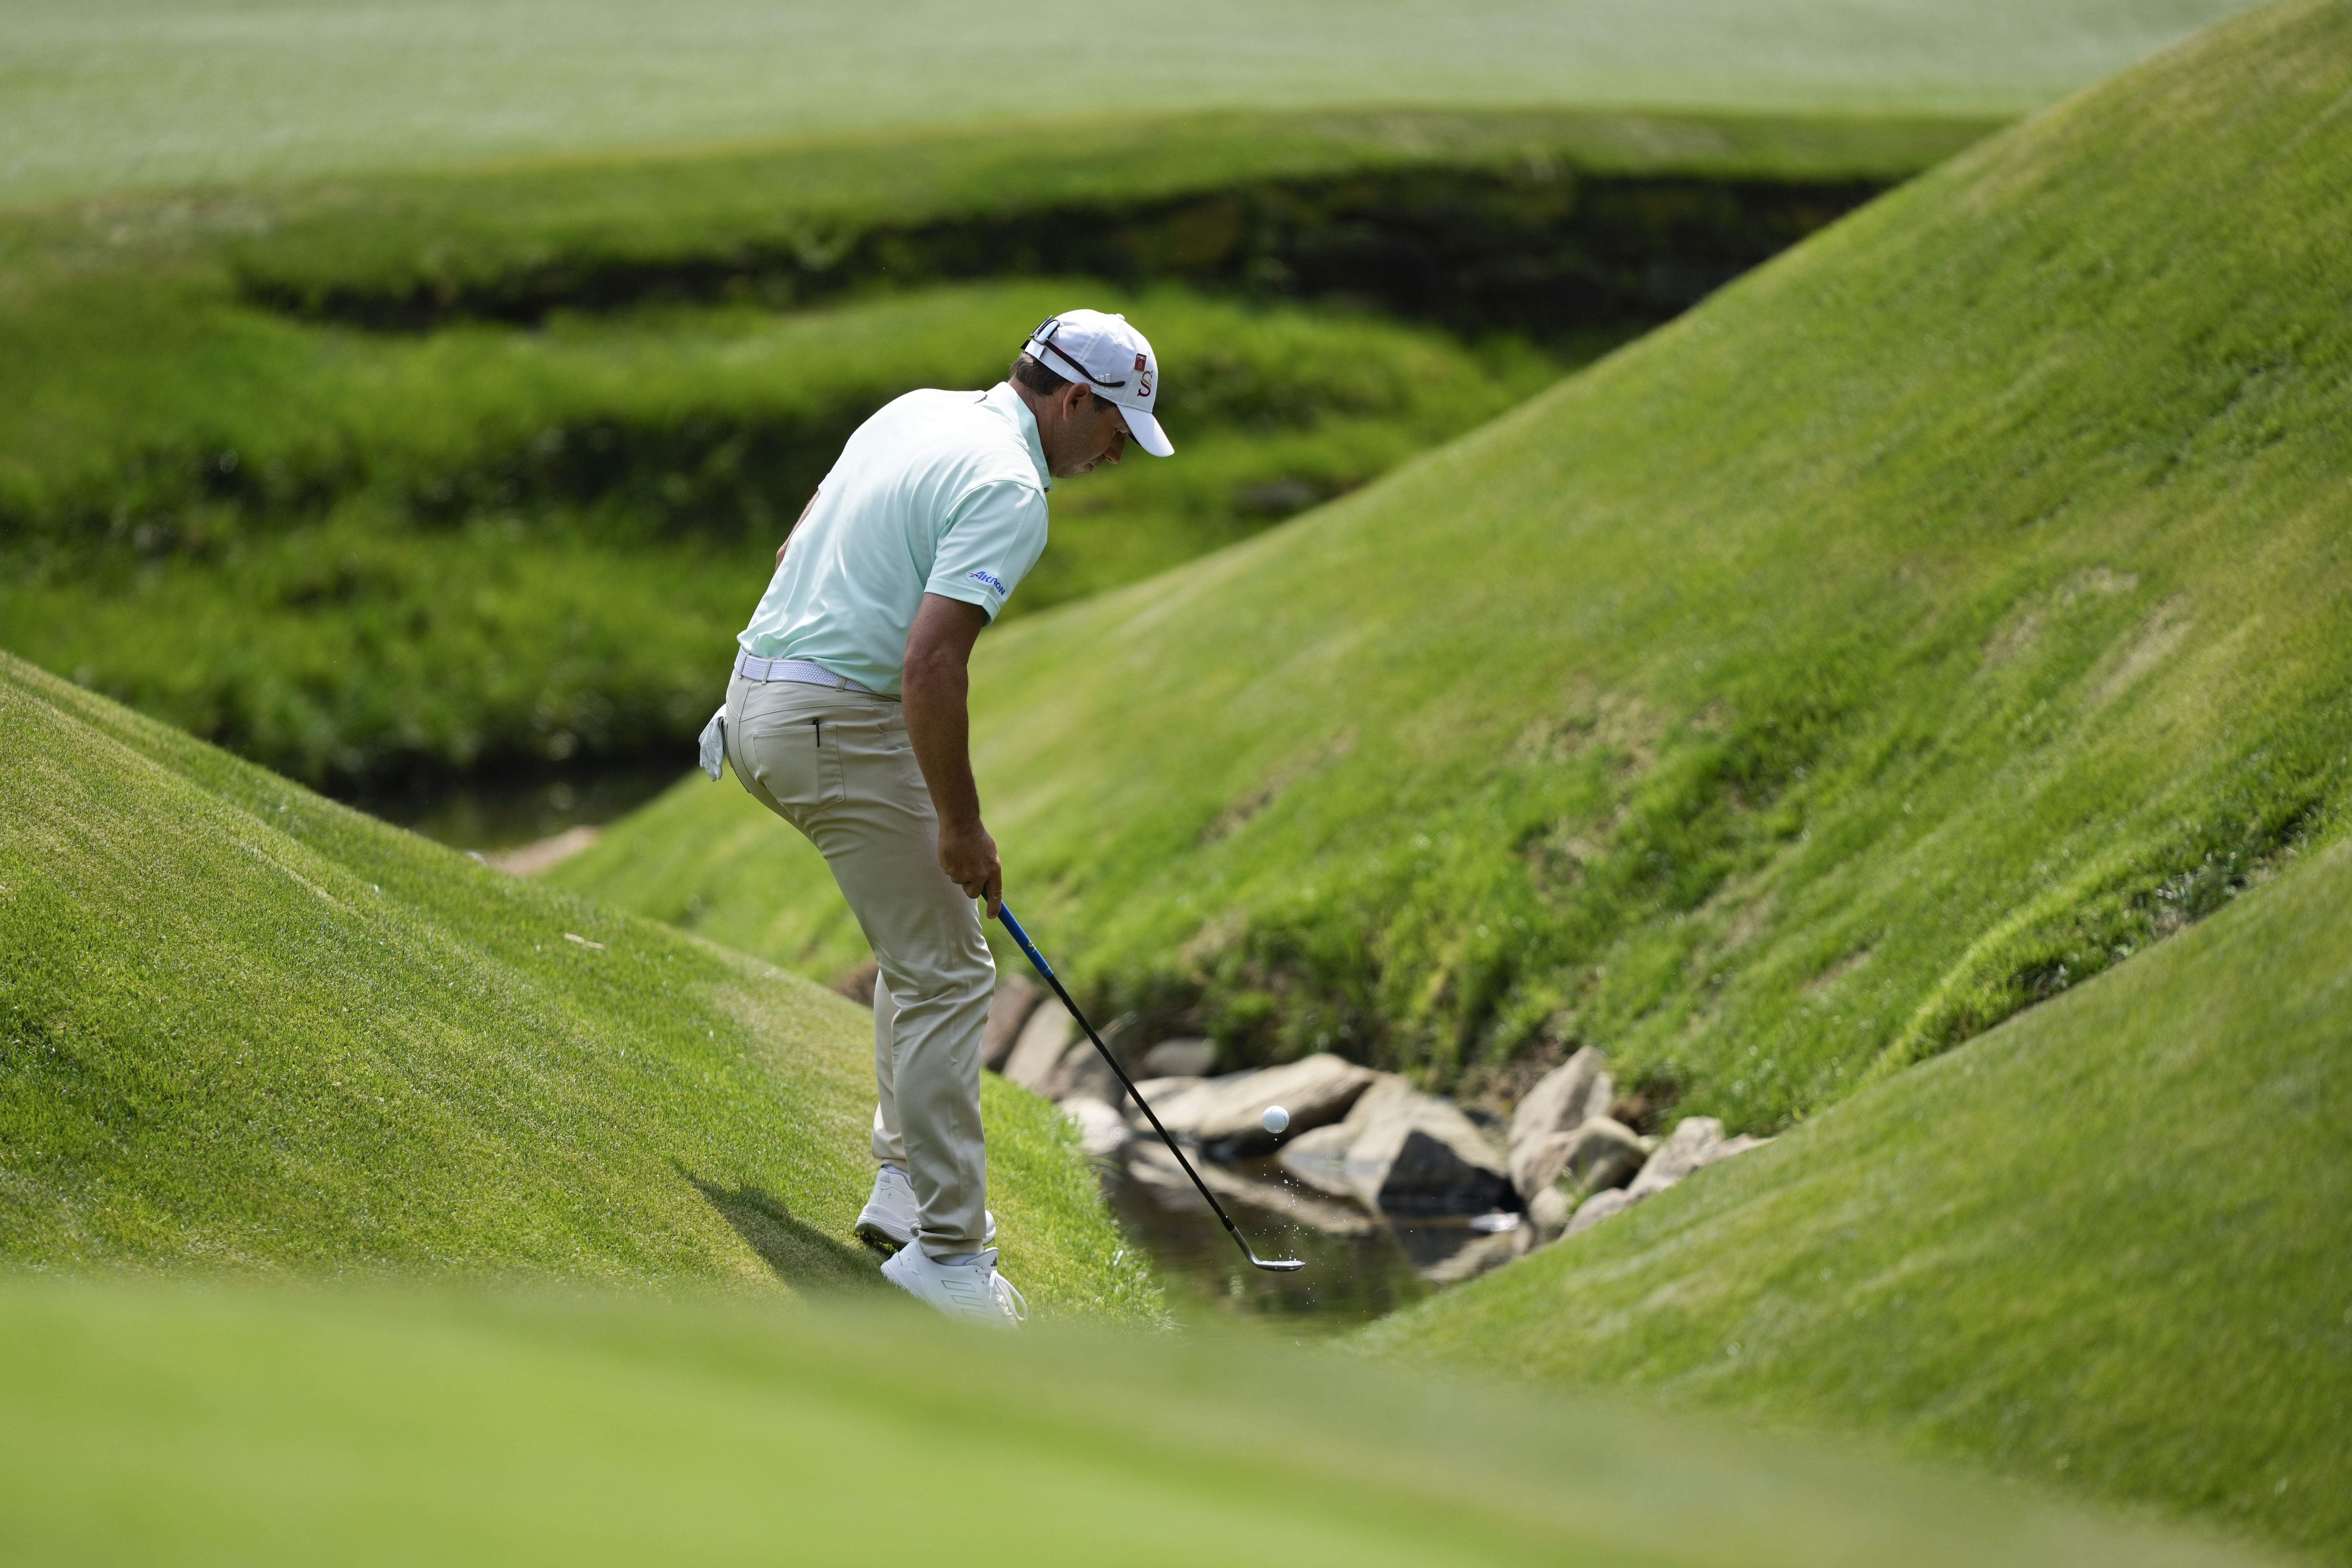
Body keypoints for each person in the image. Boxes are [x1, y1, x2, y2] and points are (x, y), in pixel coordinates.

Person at [716, 310, 1173, 1326]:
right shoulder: (1013, 489)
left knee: (926, 950)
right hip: (832, 717)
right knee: (953, 970)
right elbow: (931, 662)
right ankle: (952, 1256)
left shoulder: (917, 411)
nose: (1113, 457)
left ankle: (903, 1185)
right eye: (1115, 432)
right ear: (1075, 400)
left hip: (757, 701)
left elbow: (803, 536)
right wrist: (961, 828)